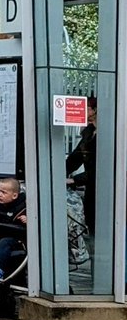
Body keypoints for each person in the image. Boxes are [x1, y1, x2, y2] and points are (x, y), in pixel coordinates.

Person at [65, 100, 97, 238]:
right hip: (91, 185)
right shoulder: (89, 132)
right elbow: (76, 157)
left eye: (87, 108)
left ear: (95, 110)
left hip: (104, 186)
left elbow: (103, 168)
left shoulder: (110, 133)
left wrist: (74, 180)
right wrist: (60, 172)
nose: (83, 111)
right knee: (90, 217)